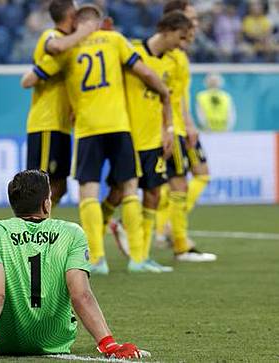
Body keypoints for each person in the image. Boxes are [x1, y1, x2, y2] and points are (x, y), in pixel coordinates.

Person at [0, 170, 146, 361]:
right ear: (46, 203)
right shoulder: (72, 233)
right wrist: (109, 345)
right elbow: (81, 295)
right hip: (55, 340)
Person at [22, 5, 171, 274]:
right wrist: (164, 92)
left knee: (88, 190)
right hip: (118, 124)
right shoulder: (115, 40)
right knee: (129, 187)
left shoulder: (70, 49)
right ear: (100, 22)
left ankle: (96, 259)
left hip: (88, 129)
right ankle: (138, 258)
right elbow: (145, 72)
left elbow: (35, 73)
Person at [99, 11, 195, 273]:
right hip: (127, 137)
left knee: (153, 193)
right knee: (117, 194)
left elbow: (168, 98)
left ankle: (140, 257)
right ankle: (93, 242)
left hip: (154, 139)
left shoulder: (172, 62)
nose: (181, 44)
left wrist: (169, 129)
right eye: (180, 37)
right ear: (166, 29)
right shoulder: (132, 51)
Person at [155, 1, 216, 262]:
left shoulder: (179, 53)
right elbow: (168, 97)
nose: (195, 26)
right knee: (176, 182)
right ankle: (170, 234)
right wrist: (175, 125)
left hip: (179, 125)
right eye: (190, 20)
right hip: (171, 127)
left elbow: (180, 96)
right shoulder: (167, 54)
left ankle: (168, 230)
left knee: (192, 177)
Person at [20, 0, 95, 205]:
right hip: (46, 122)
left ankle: (39, 226)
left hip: (63, 126)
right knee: (39, 184)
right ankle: (29, 230)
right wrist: (85, 31)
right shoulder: (52, 36)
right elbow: (54, 47)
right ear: (71, 15)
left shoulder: (73, 46)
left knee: (60, 184)